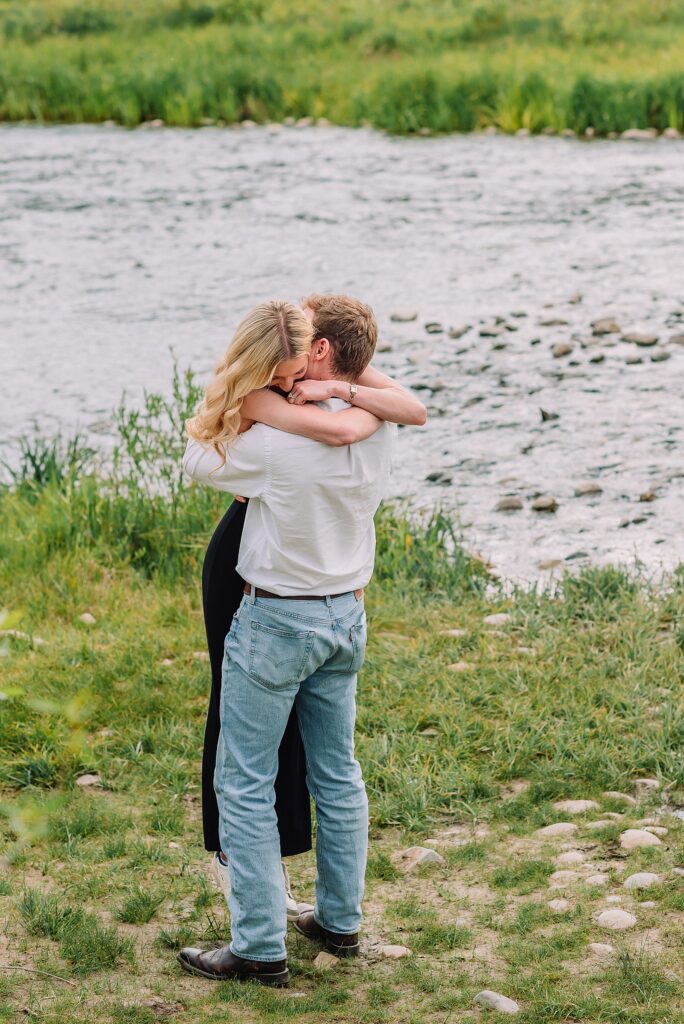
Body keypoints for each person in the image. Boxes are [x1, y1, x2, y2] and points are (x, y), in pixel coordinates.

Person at [179, 296, 424, 986]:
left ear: (317, 353)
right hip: (346, 615)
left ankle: (258, 946)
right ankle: (340, 922)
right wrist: (349, 394)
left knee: (246, 780)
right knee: (338, 774)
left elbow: (199, 456)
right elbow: (393, 404)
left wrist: (243, 392)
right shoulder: (374, 427)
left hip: (276, 620)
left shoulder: (269, 447)